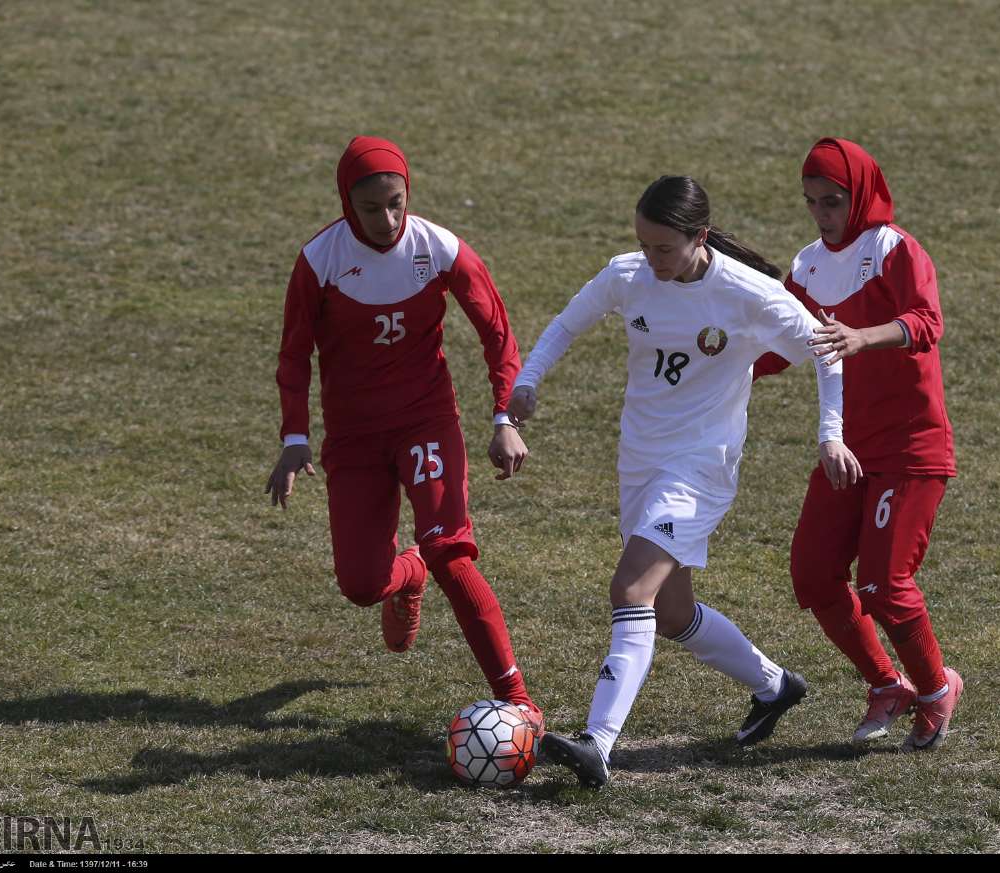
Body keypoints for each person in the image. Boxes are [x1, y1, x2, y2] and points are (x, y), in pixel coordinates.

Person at [508, 175, 856, 788]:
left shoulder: (750, 295)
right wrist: (527, 384)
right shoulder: (629, 275)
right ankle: (775, 687)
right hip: (639, 460)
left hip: (701, 466)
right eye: (644, 245)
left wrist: (831, 433)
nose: (651, 259)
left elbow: (828, 350)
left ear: (699, 239)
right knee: (671, 612)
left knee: (631, 588)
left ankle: (598, 742)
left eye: (663, 248)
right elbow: (565, 325)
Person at [266, 135, 543, 733]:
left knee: (452, 551)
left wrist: (505, 419)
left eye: (398, 202)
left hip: (426, 423)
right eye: (372, 208)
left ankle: (519, 700)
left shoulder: (439, 249)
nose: (389, 219)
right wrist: (294, 439)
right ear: (346, 203)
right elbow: (294, 355)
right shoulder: (320, 261)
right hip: (356, 439)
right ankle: (407, 573)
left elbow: (497, 332)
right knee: (363, 585)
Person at [754, 137, 961, 751]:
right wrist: (723, 362)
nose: (822, 214)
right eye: (812, 203)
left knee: (883, 583)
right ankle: (885, 683)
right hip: (849, 448)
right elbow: (786, 343)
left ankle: (934, 688)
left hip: (910, 445)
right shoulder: (810, 265)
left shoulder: (895, 250)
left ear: (862, 193)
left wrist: (860, 337)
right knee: (815, 575)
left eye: (833, 201)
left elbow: (928, 322)